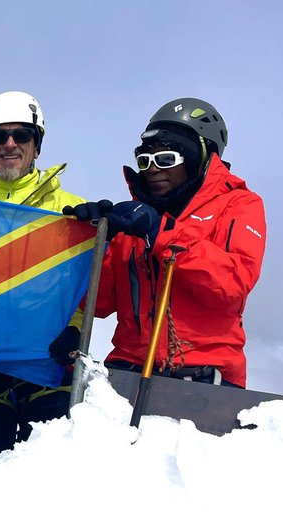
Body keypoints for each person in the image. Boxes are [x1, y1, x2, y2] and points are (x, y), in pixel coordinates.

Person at [66, 98, 265, 387]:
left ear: (197, 157)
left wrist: (161, 232)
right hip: (127, 371)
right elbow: (99, 304)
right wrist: (92, 245)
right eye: (145, 161)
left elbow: (232, 285)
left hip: (204, 379)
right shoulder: (136, 219)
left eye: (166, 159)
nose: (152, 169)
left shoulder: (239, 204)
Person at [0, 91, 86, 463]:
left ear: (36, 145)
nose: (9, 144)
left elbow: (86, 284)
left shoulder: (72, 210)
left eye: (21, 135)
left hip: (47, 364)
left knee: (47, 481)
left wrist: (76, 327)